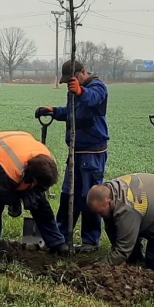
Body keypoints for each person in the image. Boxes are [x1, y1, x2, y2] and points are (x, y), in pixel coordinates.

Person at [35, 59, 109, 251]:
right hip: (75, 151)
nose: (70, 83)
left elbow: (93, 98)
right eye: (68, 81)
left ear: (82, 71)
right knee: (68, 194)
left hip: (92, 151)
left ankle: (91, 241)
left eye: (72, 79)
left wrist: (80, 91)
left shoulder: (97, 86)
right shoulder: (73, 90)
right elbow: (72, 113)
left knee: (89, 196)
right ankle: (59, 237)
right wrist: (54, 111)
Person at [0, 131, 69, 258]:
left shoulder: (49, 164)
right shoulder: (9, 168)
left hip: (22, 144)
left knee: (41, 206)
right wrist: (14, 202)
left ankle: (57, 242)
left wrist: (32, 195)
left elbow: (42, 187)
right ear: (32, 178)